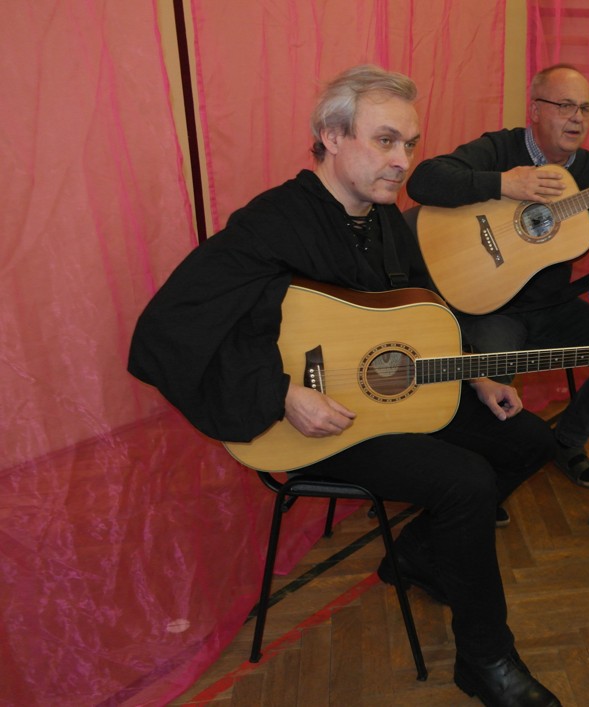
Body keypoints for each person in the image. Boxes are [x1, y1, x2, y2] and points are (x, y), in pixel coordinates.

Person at [128, 65, 561, 707]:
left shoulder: (383, 219)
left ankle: (420, 554)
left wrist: (473, 373)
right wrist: (283, 393)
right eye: (385, 141)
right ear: (331, 136)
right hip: (307, 423)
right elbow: (165, 330)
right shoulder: (274, 221)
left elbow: (422, 311)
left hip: (385, 398)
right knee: (466, 480)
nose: (402, 161)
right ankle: (486, 658)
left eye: (409, 144)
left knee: (529, 441)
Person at [406, 63, 589, 489]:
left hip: (551, 306)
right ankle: (475, 482)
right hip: (489, 308)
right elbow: (424, 181)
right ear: (535, 109)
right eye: (565, 105)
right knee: (488, 381)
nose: (577, 118)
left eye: (585, 108)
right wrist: (504, 183)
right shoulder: (500, 149)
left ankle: (565, 442)